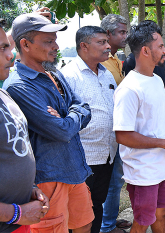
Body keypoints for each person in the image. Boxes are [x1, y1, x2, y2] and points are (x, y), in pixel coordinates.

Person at [3, 13, 94, 233]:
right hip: (49, 178)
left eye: (55, 40)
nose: (56, 46)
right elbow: (61, 131)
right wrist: (72, 116)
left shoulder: (53, 73)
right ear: (25, 44)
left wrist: (68, 116)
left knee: (85, 224)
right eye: (48, 41)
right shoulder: (19, 86)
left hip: (73, 168)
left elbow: (84, 107)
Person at [113, 20, 165, 233]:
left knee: (161, 213)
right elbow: (123, 136)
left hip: (163, 166)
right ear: (145, 50)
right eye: (160, 46)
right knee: (143, 220)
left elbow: (157, 120)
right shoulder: (129, 89)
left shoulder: (155, 79)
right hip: (142, 170)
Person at [61, 26, 118, 233]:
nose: (108, 46)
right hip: (82, 157)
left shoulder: (106, 74)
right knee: (78, 216)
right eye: (101, 42)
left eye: (107, 42)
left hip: (107, 155)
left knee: (97, 205)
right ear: (84, 46)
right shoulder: (68, 76)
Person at [0, 18, 50, 233]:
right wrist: (16, 213)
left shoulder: (3, 94)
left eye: (8, 46)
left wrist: (28, 188)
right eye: (2, 48)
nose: (10, 55)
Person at [99, 14, 132, 233]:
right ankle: (107, 226)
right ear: (108, 34)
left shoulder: (114, 59)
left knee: (115, 181)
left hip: (117, 130)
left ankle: (109, 219)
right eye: (121, 32)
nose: (125, 36)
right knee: (111, 183)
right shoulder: (101, 62)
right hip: (106, 134)